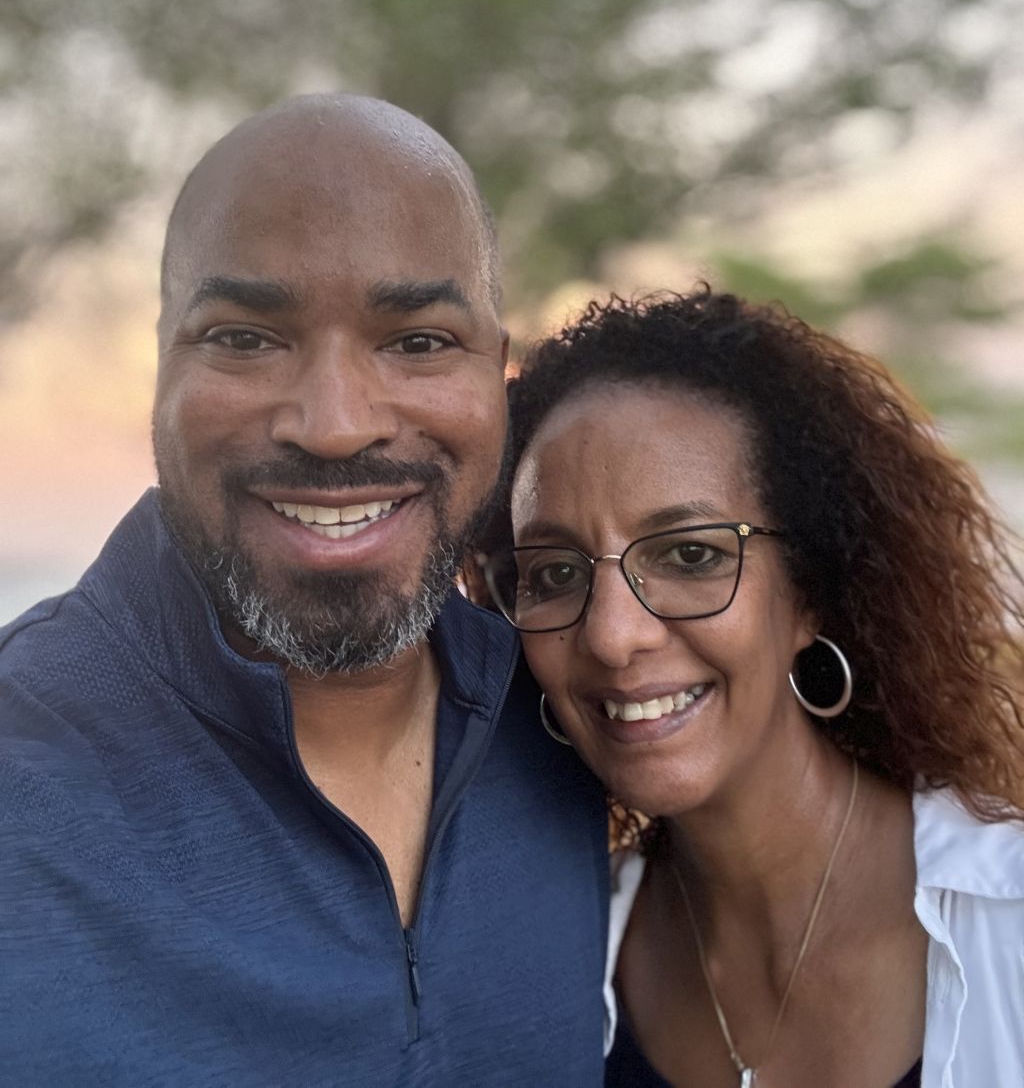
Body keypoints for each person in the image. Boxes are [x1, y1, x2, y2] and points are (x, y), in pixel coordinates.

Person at [0, 95, 608, 1087]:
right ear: (161, 370)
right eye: (245, 337)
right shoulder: (23, 792)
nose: (333, 425)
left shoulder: (567, 717)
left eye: (416, 340)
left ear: (497, 377)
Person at [482, 287, 1024, 1088]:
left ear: (808, 589)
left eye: (691, 555)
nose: (611, 634)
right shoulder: (551, 958)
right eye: (555, 573)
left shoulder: (1007, 923)